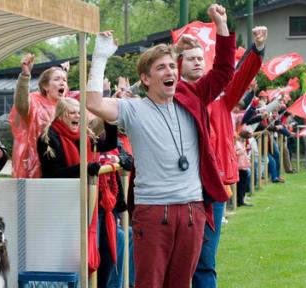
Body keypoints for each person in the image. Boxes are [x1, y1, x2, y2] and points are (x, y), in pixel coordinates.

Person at [85, 4, 234, 287]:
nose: (170, 71)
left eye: (171, 66)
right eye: (161, 68)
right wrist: (101, 55)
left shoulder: (193, 97)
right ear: (145, 78)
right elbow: (93, 103)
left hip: (192, 211)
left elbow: (225, 71)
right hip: (153, 211)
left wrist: (222, 26)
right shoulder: (133, 109)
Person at [177, 25, 267, 288]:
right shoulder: (169, 98)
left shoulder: (221, 98)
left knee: (205, 262)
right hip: (180, 189)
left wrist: (257, 48)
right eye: (191, 58)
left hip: (212, 189)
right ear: (177, 63)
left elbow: (240, 75)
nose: (198, 63)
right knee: (180, 264)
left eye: (200, 58)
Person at [10, 53, 67, 178]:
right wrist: (25, 75)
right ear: (45, 86)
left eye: (64, 80)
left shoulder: (68, 107)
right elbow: (21, 104)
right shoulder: (35, 102)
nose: (62, 83)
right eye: (57, 79)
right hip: (35, 167)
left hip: (62, 167)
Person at [37, 98, 117, 178]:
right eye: (72, 113)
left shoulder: (82, 136)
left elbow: (110, 144)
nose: (78, 116)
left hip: (81, 189)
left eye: (79, 113)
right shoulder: (48, 138)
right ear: (60, 116)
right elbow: (53, 174)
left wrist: (110, 119)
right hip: (59, 189)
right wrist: (84, 168)